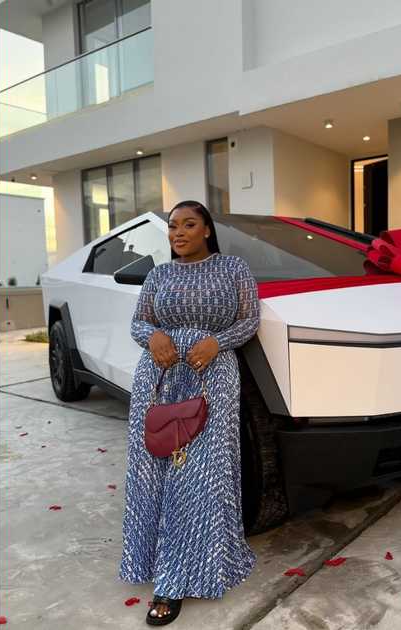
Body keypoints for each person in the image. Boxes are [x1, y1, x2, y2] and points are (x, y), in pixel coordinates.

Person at [119, 200, 260, 625]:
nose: (178, 232)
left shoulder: (234, 268)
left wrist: (219, 341)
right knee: (153, 471)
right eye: (173, 226)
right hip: (158, 381)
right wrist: (155, 335)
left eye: (189, 224)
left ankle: (176, 579)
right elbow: (137, 323)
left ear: (207, 230)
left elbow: (249, 319)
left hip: (211, 377)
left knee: (197, 474)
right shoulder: (159, 274)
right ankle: (154, 566)